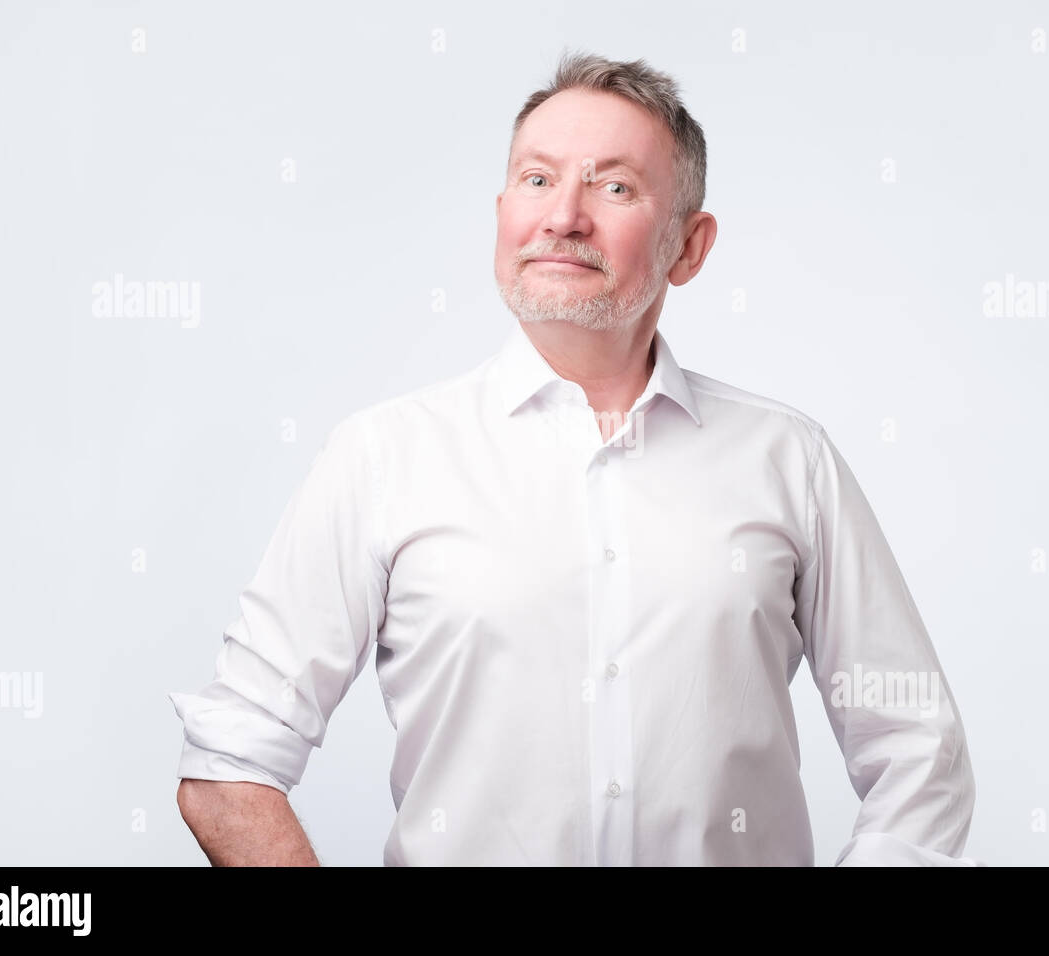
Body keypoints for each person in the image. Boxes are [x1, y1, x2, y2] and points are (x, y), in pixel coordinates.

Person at [170, 50, 977, 867]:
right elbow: (228, 765)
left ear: (688, 248)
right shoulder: (381, 458)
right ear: (501, 214)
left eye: (614, 187)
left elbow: (916, 753)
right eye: (536, 180)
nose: (563, 217)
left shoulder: (789, 461)